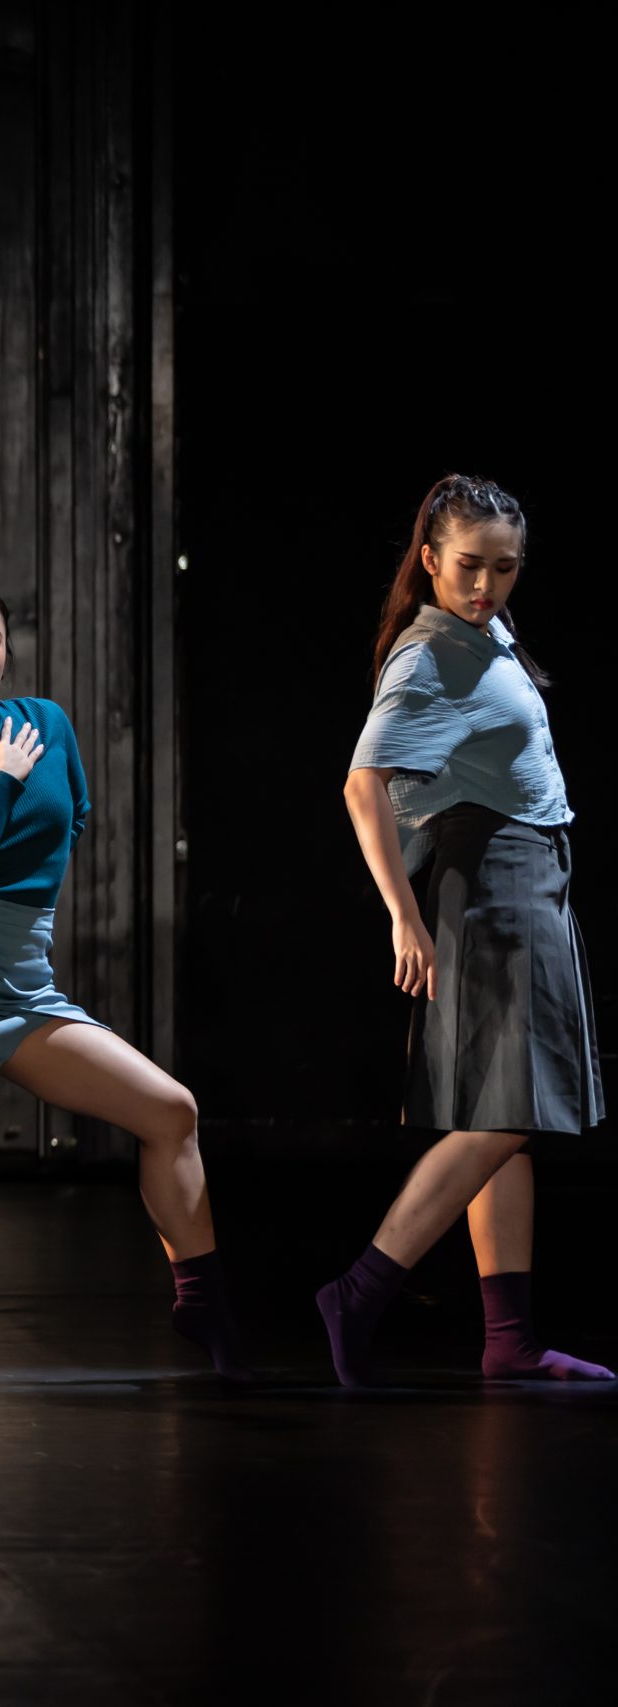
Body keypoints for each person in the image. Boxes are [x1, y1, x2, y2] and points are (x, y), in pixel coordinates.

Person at [0, 578, 243, 1389]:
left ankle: (204, 1303)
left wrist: (11, 832)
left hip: (20, 983)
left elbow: (74, 815)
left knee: (171, 1111)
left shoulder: (46, 722)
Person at [319, 474, 607, 1385]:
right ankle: (361, 1288)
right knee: (506, 1115)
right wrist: (404, 917)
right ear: (431, 558)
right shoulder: (430, 655)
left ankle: (509, 1339)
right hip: (493, 880)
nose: (485, 584)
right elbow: (362, 787)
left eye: (505, 567)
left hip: (525, 877)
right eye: (469, 565)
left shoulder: (485, 633)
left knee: (504, 1117)